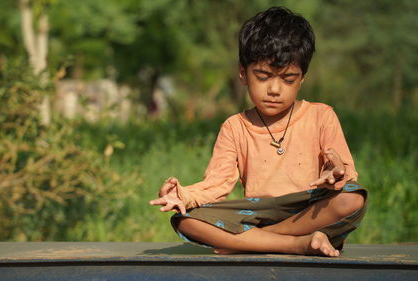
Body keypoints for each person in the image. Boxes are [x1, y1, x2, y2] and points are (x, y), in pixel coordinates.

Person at [149, 6, 367, 257]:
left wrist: (335, 173)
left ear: (302, 79)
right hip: (255, 214)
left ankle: (254, 242)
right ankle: (298, 244)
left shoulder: (321, 116)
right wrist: (183, 195)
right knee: (187, 221)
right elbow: (217, 184)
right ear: (243, 73)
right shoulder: (234, 126)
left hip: (309, 210)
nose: (275, 89)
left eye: (288, 79)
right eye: (263, 76)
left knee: (352, 198)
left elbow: (344, 172)